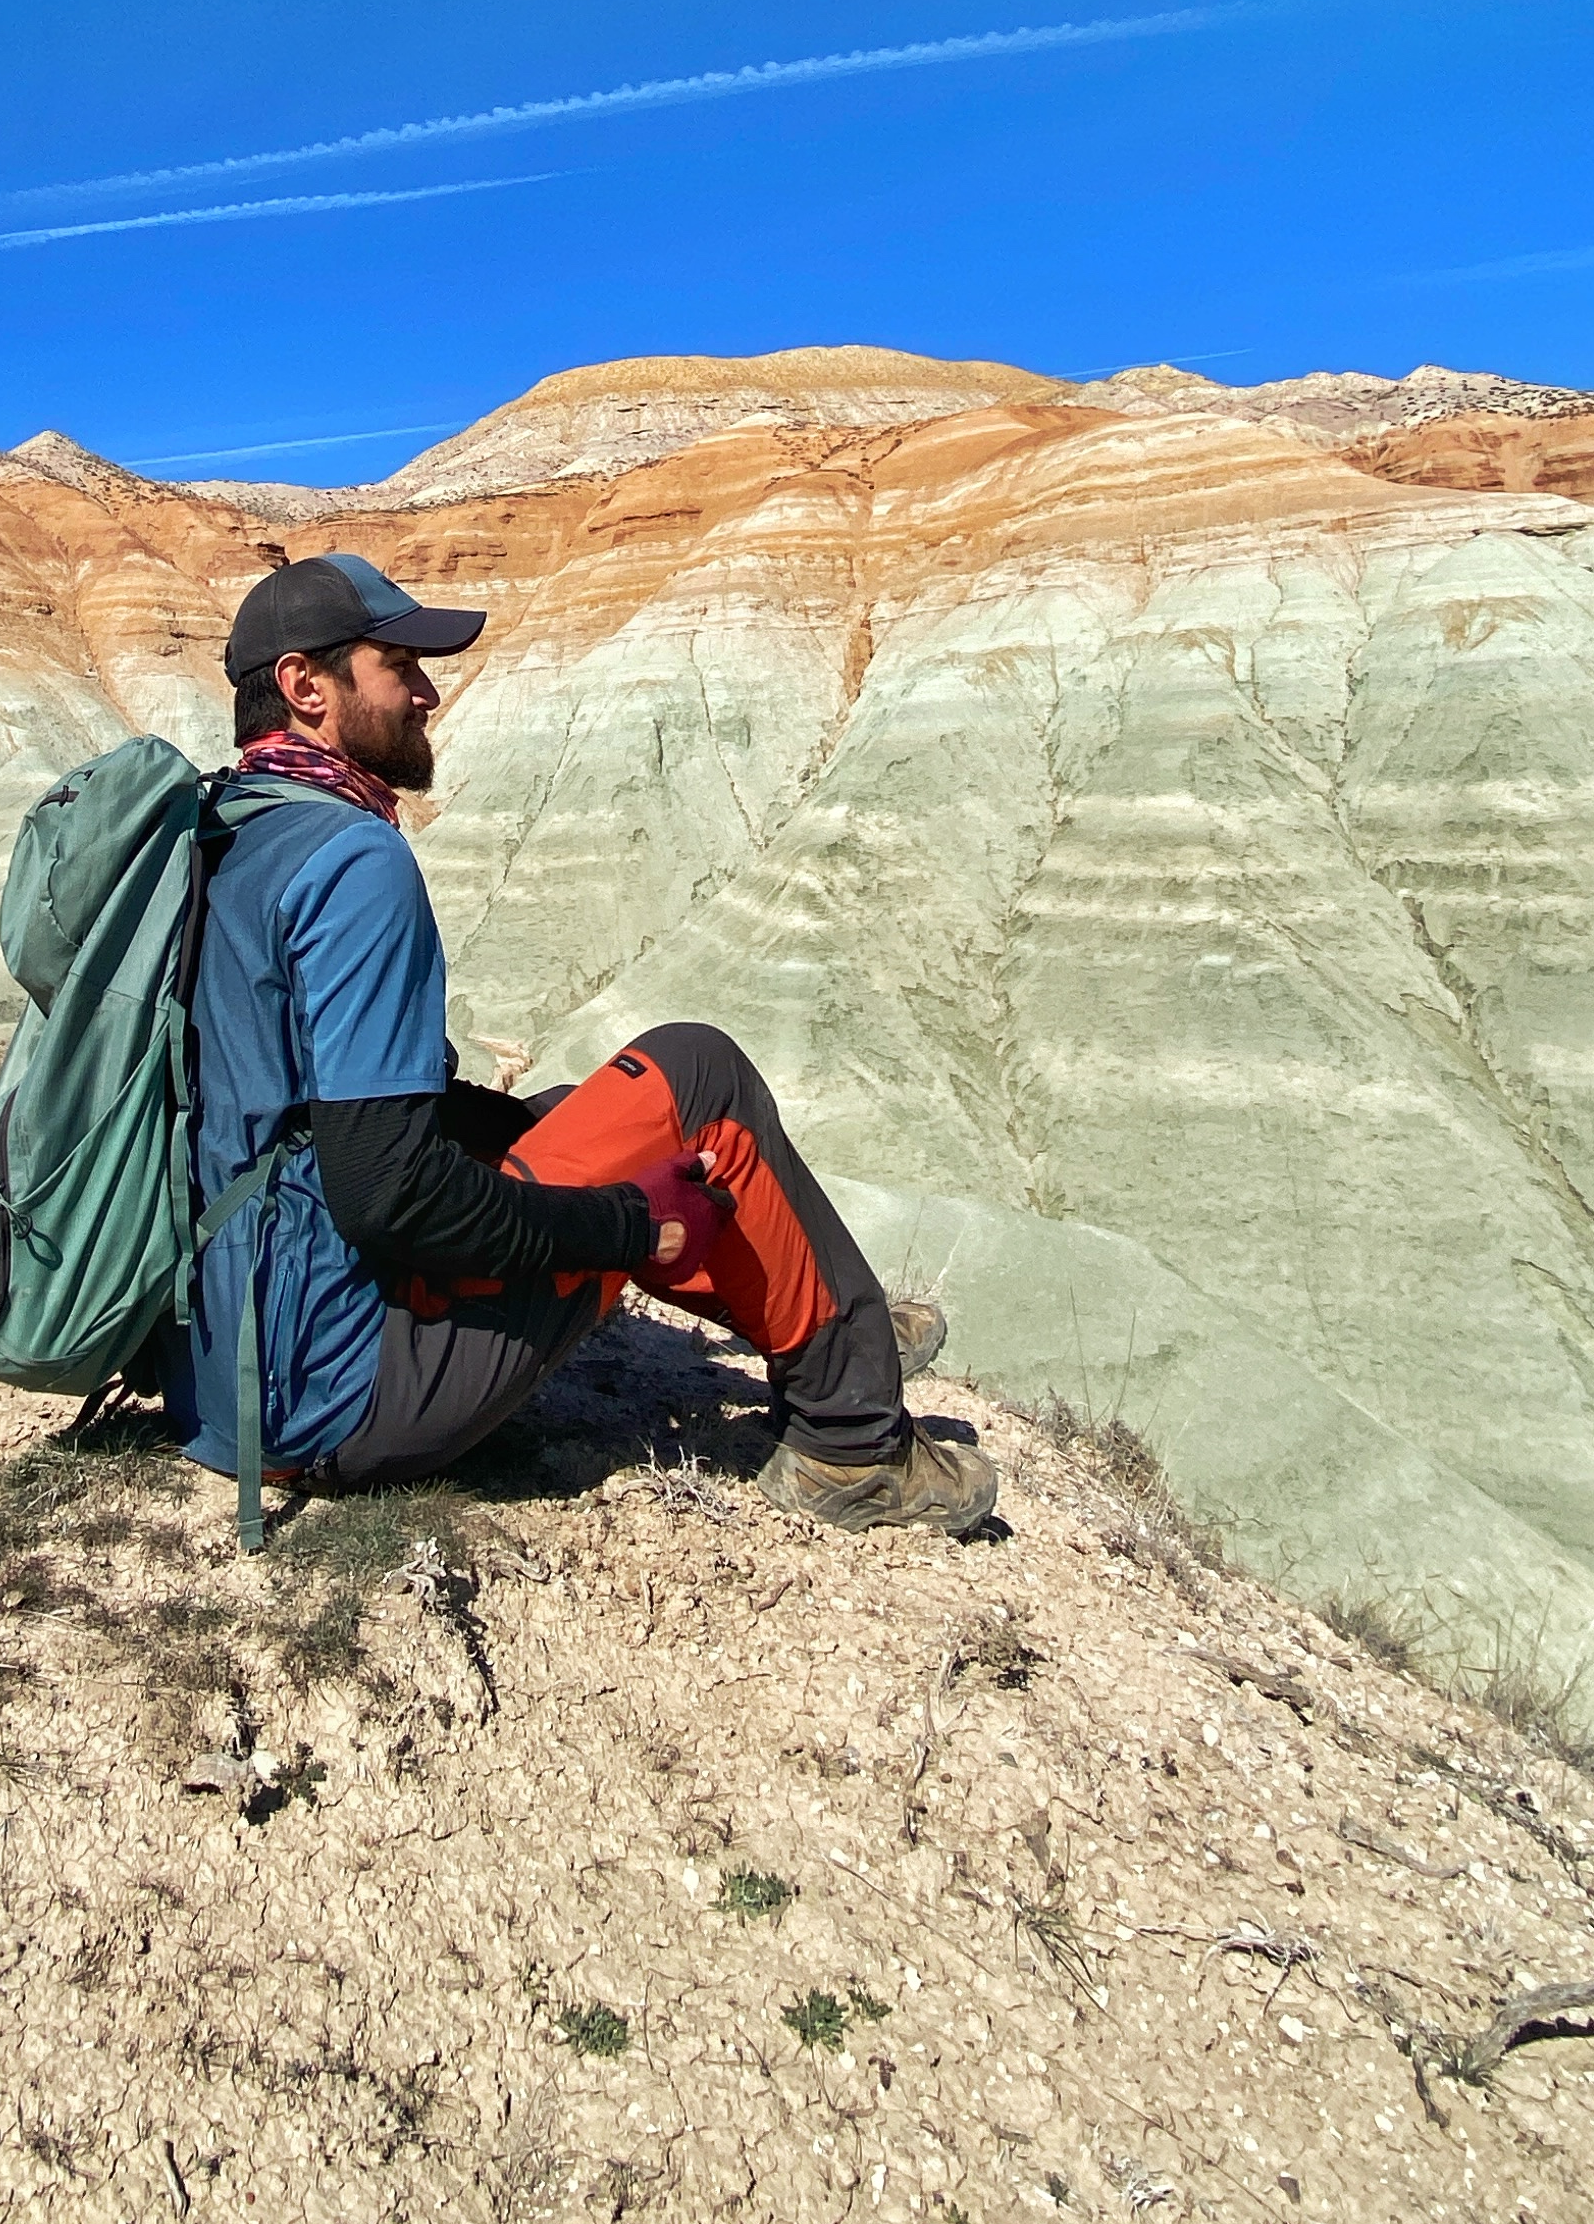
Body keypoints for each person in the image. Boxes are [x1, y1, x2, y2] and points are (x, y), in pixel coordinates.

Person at [172, 548, 1001, 1532]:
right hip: (340, 1397)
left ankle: (818, 1312)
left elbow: (304, 1110)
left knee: (566, 1115)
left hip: (224, 1367)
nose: (428, 691)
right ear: (308, 687)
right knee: (699, 1078)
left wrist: (515, 1127)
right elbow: (387, 1196)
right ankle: (852, 1444)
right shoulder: (352, 859)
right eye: (398, 667)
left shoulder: (224, 831)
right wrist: (629, 1226)